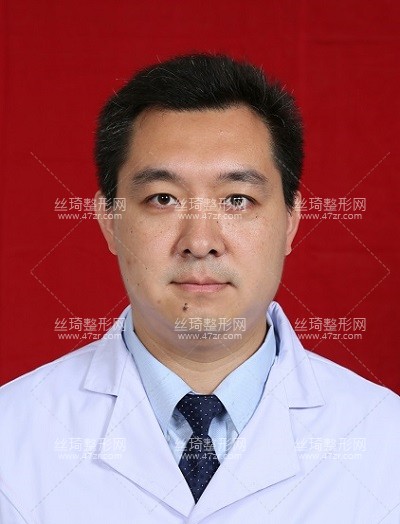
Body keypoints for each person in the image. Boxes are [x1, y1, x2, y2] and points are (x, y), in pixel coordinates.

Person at [0, 53, 399, 524]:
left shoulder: (383, 441)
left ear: (291, 220)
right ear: (109, 220)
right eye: (163, 198)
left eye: (237, 199)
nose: (200, 241)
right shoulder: (14, 434)